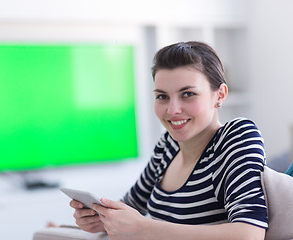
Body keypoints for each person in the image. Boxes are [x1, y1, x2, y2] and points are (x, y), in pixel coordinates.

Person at [69, 41, 268, 240]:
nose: (173, 110)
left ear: (220, 95)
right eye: (162, 96)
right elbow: (130, 208)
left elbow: (249, 234)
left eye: (188, 94)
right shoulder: (168, 145)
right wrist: (100, 219)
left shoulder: (236, 136)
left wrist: (143, 229)